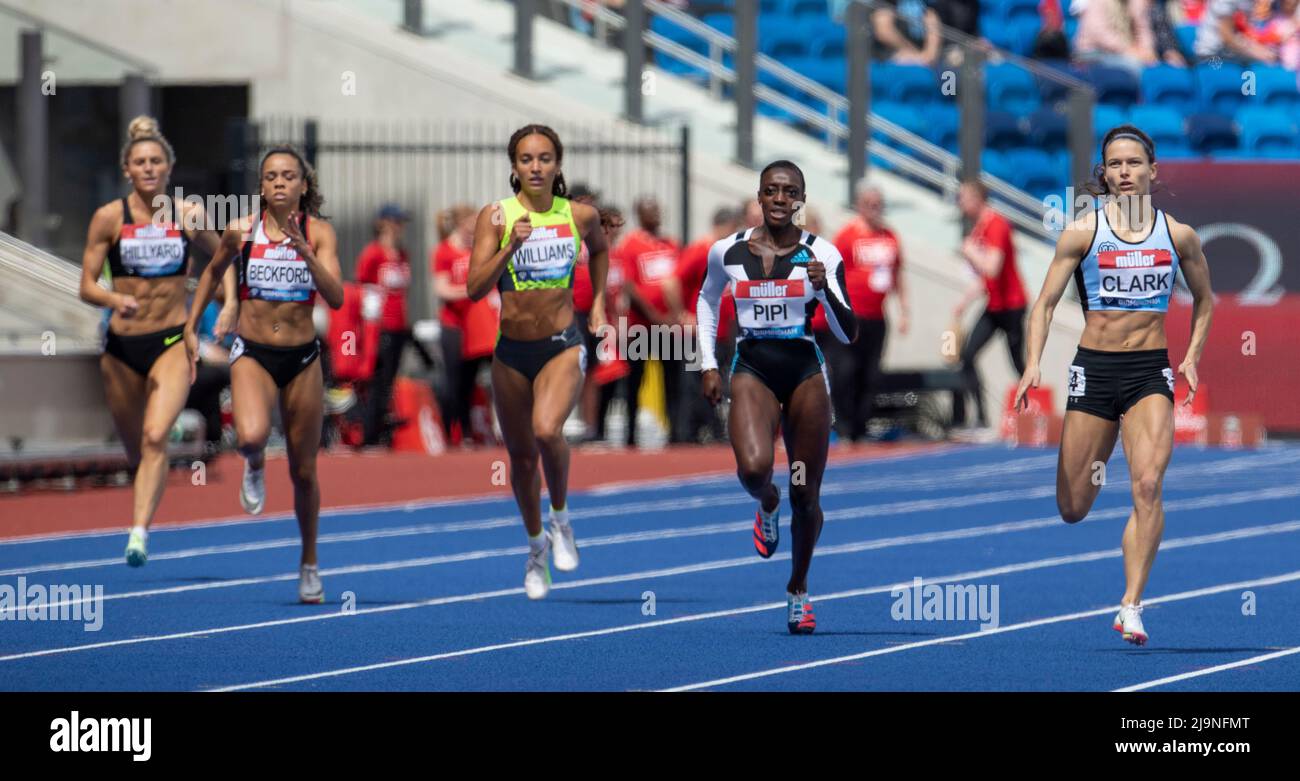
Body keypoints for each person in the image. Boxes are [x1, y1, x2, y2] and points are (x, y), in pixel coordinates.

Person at [1015, 125, 1213, 645]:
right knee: (1073, 507)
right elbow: (1044, 305)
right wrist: (1032, 363)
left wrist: (1190, 357)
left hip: (1149, 371)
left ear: (1153, 171)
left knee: (1147, 484)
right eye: (1115, 165)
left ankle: (1131, 604)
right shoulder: (1081, 232)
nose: (1125, 172)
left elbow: (1206, 300)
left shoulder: (1179, 235)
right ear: (1104, 174)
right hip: (1095, 371)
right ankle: (1099, 462)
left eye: (1134, 163)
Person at [696, 160, 857, 635]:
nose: (781, 199)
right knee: (753, 469)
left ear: (801, 200)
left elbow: (849, 332)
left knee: (805, 494)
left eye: (790, 192)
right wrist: (708, 362)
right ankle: (767, 503)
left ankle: (798, 589)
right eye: (772, 191)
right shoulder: (727, 251)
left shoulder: (821, 253)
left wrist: (824, 288)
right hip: (753, 367)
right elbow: (707, 300)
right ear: (760, 197)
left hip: (804, 370)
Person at [184, 145, 345, 603]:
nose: (278, 182)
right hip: (253, 351)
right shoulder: (242, 230)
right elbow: (214, 273)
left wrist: (304, 251)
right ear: (261, 186)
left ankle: (310, 562)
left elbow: (335, 297)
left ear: (303, 186)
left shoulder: (321, 233)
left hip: (301, 358)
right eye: (270, 176)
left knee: (304, 470)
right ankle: (254, 464)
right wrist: (191, 328)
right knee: (252, 435)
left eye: (288, 176)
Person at [466, 124, 608, 600]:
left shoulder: (579, 215)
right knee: (522, 459)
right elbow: (474, 288)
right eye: (526, 159)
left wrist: (601, 305)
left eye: (545, 158)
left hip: (562, 343)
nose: (536, 167)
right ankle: (535, 549)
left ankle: (562, 518)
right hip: (511, 351)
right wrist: (510, 246)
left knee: (548, 431)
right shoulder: (496, 217)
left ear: (558, 165)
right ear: (514, 167)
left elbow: (602, 249)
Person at [78, 116, 227, 568]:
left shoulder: (187, 215)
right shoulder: (109, 217)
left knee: (156, 435)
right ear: (128, 169)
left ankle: (138, 532)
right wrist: (113, 297)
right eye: (140, 161)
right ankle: (146, 487)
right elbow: (85, 285)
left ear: (169, 167)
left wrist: (231, 303)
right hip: (122, 347)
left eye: (156, 161)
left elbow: (224, 258)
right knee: (136, 450)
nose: (148, 168)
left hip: (170, 339)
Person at [825, 185, 910, 441]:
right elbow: (832, 274)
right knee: (846, 371)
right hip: (852, 315)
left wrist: (904, 310)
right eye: (870, 204)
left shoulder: (890, 236)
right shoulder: (848, 235)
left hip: (877, 316)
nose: (875, 209)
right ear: (860, 205)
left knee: (871, 373)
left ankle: (860, 428)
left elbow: (897, 275)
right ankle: (844, 426)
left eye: (879, 204)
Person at [952, 180, 1028, 430]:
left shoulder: (996, 224)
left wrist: (970, 251)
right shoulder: (980, 228)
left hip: (1012, 305)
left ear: (976, 198)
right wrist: (963, 302)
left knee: (1018, 363)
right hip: (994, 306)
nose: (959, 203)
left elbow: (992, 268)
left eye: (962, 198)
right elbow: (984, 279)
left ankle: (1032, 415)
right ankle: (981, 418)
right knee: (967, 355)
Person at [614, 196, 683, 446]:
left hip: (670, 327)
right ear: (639, 214)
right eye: (649, 210)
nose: (655, 214)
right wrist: (656, 317)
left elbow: (679, 280)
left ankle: (676, 432)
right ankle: (630, 435)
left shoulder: (671, 244)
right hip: (641, 326)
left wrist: (675, 315)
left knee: (673, 380)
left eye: (657, 209)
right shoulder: (631, 245)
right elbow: (630, 286)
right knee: (636, 381)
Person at [433, 205, 499, 445]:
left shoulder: (477, 250)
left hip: (479, 327)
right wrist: (470, 290)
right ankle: (453, 430)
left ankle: (474, 430)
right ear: (461, 224)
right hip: (454, 326)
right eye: (472, 224)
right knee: (456, 380)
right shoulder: (445, 251)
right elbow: (442, 288)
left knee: (482, 378)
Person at [675, 206, 741, 443]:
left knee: (715, 381)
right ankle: (688, 433)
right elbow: (672, 281)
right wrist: (681, 314)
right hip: (700, 330)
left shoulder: (726, 254)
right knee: (694, 382)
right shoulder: (701, 250)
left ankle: (710, 429)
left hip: (721, 331)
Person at [356, 203, 413, 447]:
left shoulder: (401, 254)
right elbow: (363, 288)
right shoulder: (373, 253)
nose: (400, 228)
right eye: (396, 222)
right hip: (381, 326)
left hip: (399, 325)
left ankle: (380, 430)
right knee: (378, 381)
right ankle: (369, 433)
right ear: (384, 223)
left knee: (389, 381)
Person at [1074, 0, 1160, 77]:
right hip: (1095, 53)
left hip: (1124, 53)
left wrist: (1147, 50)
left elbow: (1143, 29)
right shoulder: (1097, 2)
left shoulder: (1134, 3)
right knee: (1135, 67)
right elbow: (1100, 34)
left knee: (1155, 67)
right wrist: (1129, 50)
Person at [1193, 0, 1279, 62]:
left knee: (1269, 63)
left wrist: (1263, 51)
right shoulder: (1227, 2)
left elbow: (1243, 35)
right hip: (1212, 56)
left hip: (1232, 54)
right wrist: (1256, 54)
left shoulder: (1249, 3)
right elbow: (1227, 37)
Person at [871, 0, 944, 66]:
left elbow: (933, 25)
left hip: (924, 62)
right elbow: (883, 32)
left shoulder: (927, 5)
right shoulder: (886, 4)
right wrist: (918, 56)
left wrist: (927, 56)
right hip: (890, 60)